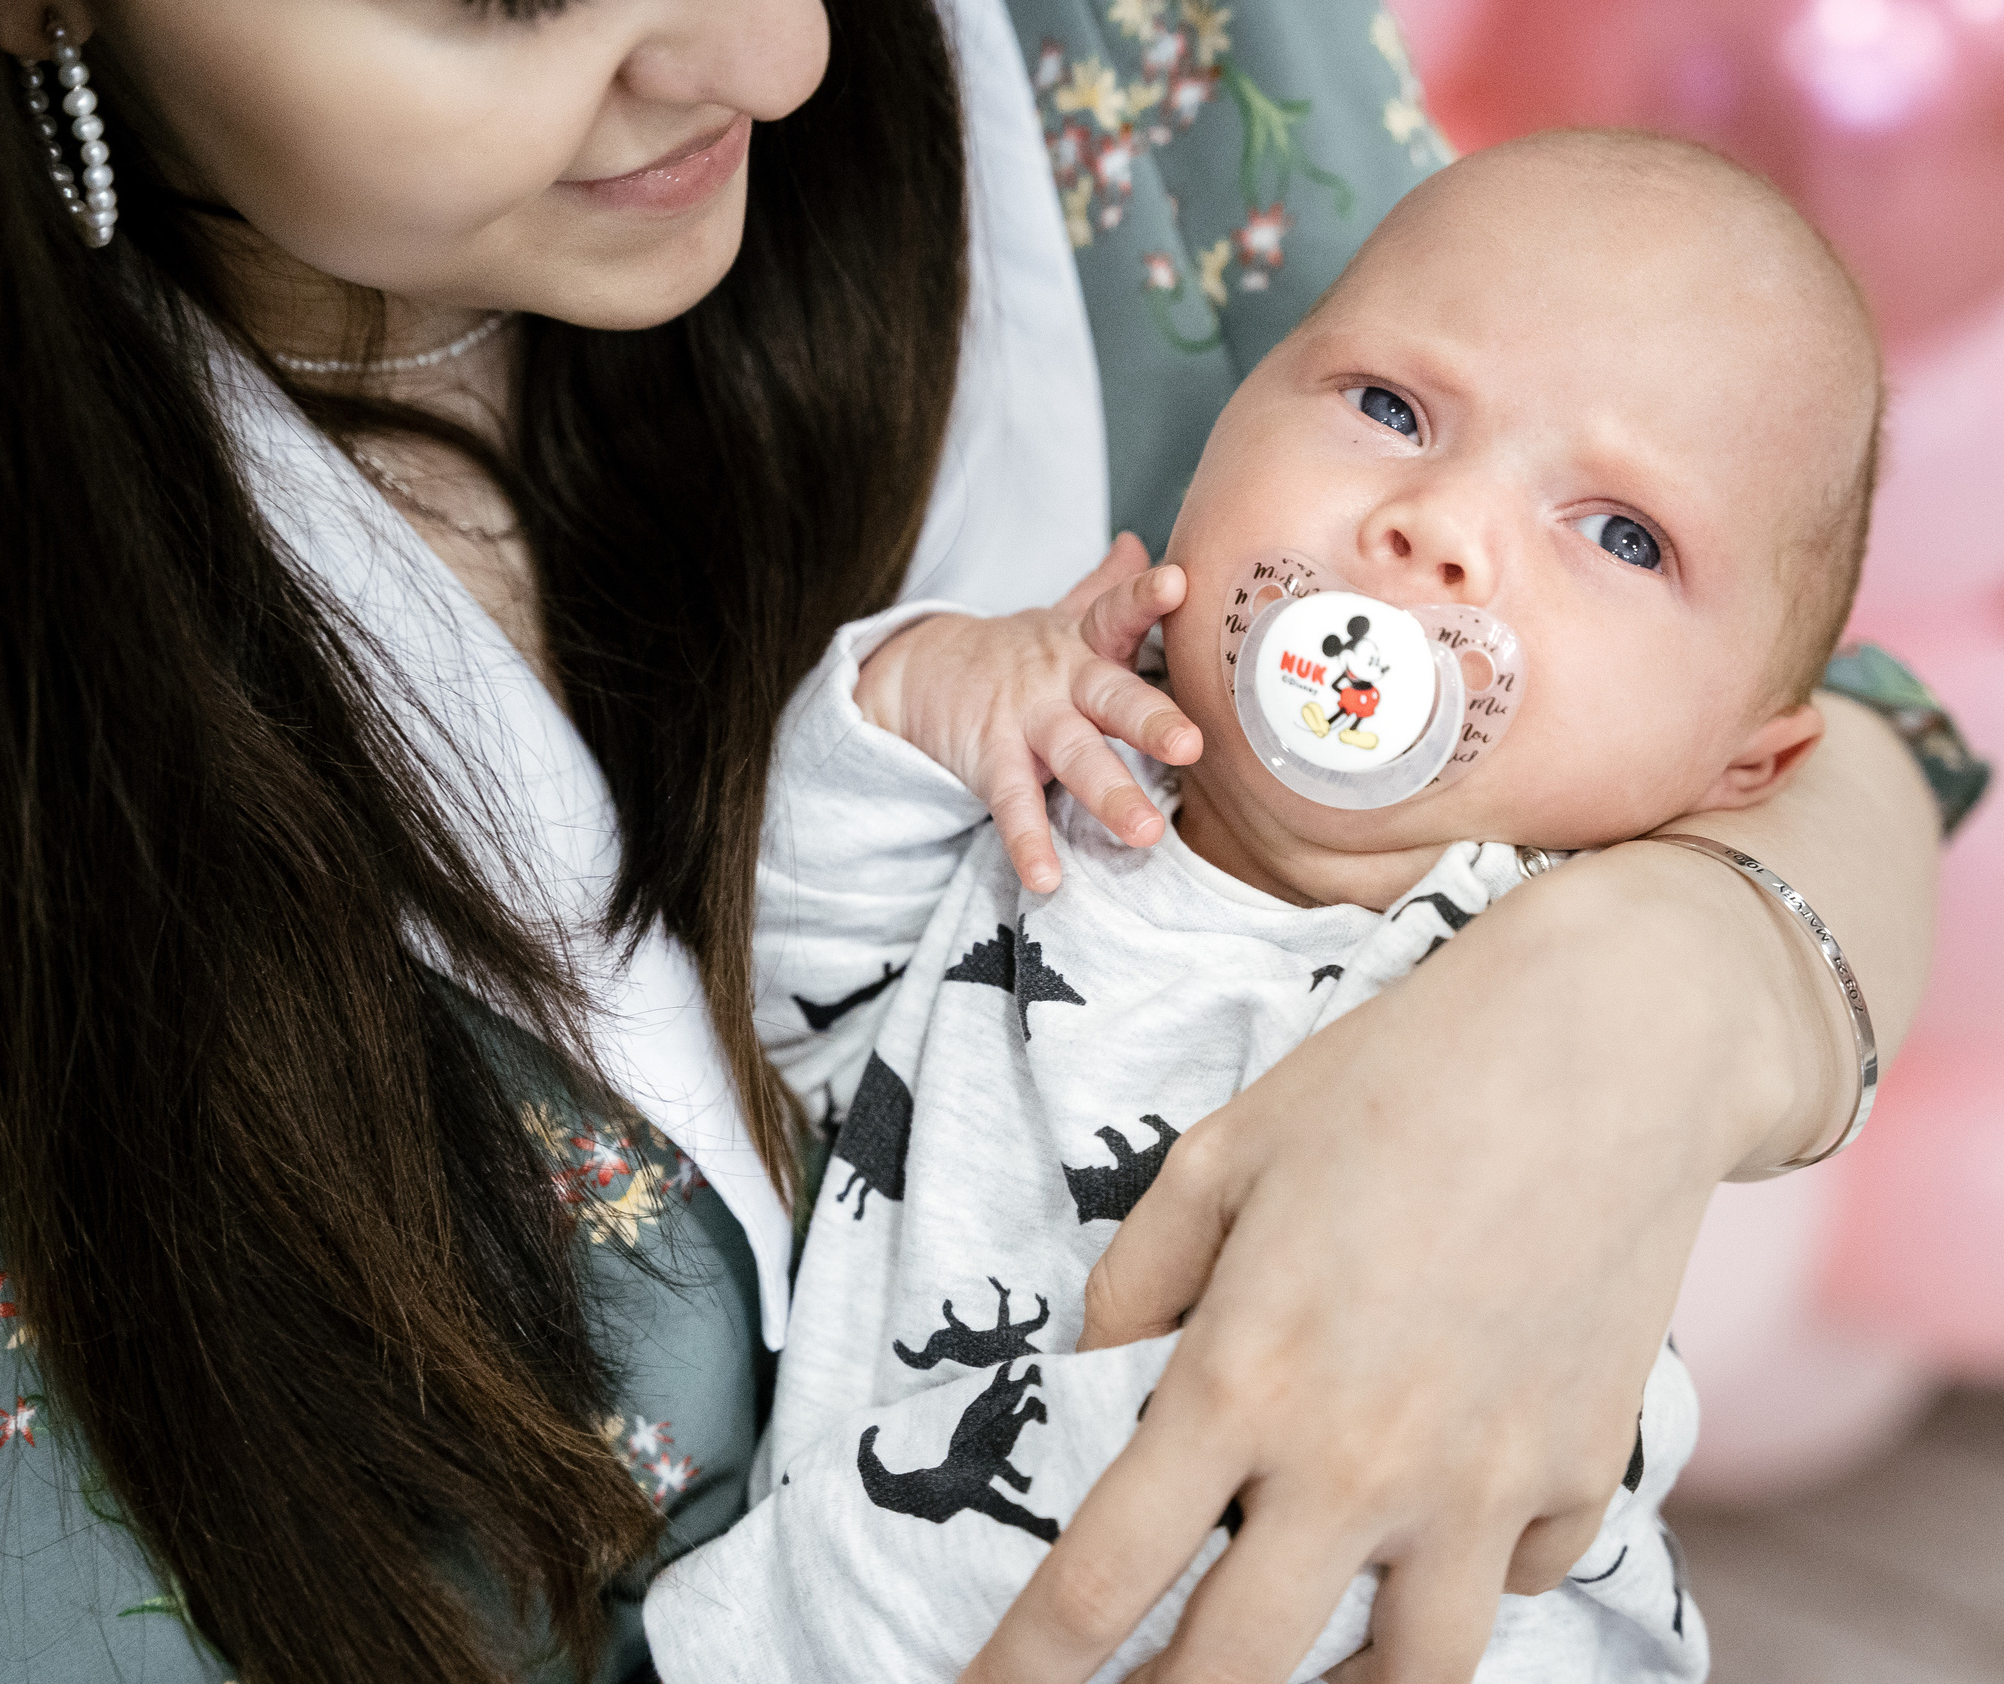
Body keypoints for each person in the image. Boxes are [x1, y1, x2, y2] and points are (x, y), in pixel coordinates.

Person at [0, 0, 1961, 1684]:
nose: (783, 49)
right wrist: (927, 711)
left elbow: (1812, 702)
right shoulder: (1102, 773)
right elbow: (816, 951)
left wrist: (1650, 995)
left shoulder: (1510, 833)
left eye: (1599, 533)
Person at [643, 131, 1877, 1684]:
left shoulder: (1547, 1004)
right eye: (1389, 407)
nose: (1438, 526)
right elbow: (781, 1024)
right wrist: (911, 704)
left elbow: (1544, 1543)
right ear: (1221, 427)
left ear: (1741, 761)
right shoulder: (1054, 795)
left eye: (1622, 532)